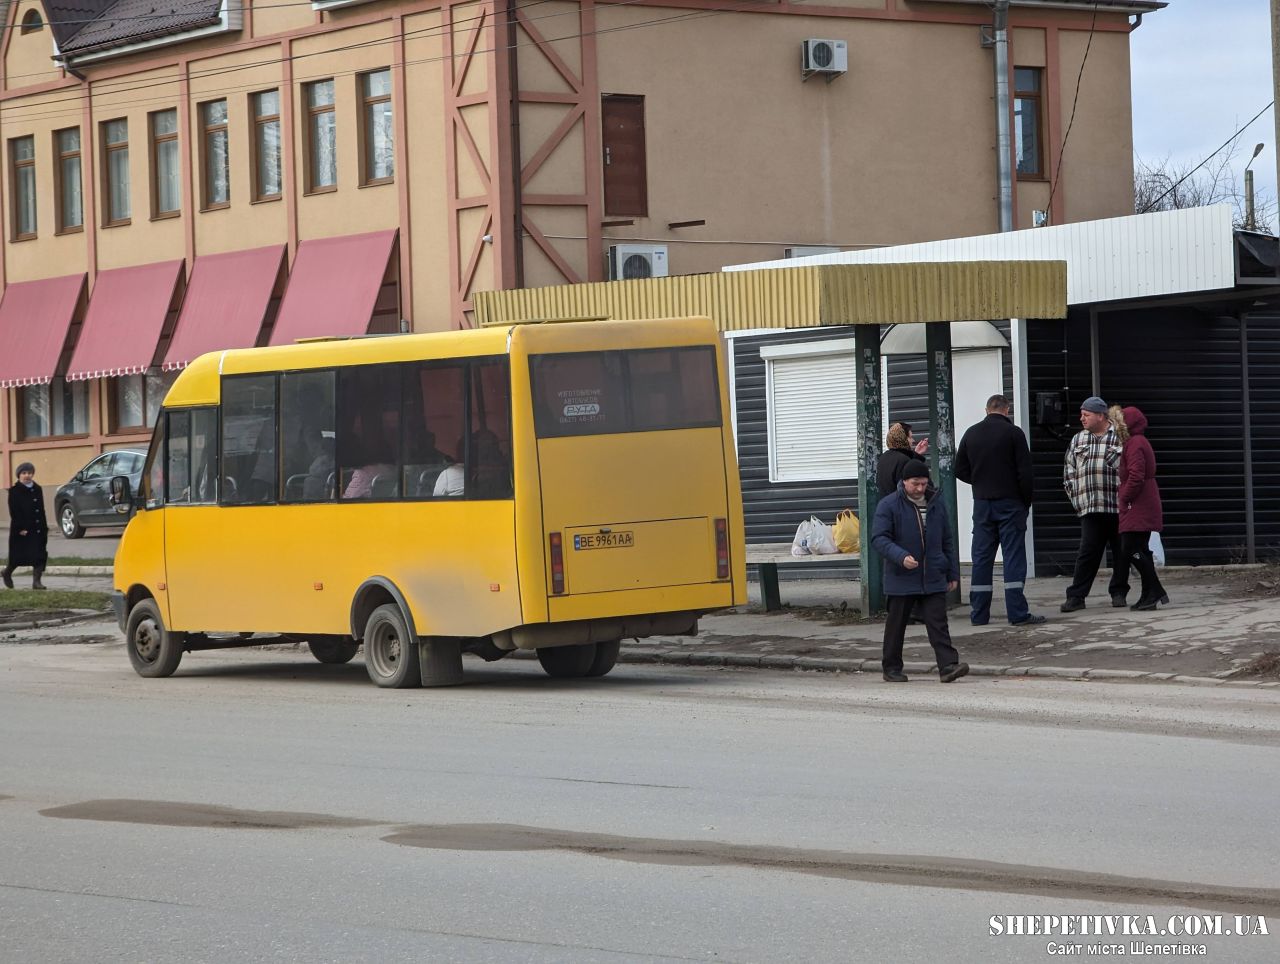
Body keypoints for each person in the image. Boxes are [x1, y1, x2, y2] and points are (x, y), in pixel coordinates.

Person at [871, 461, 968, 683]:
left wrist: (952, 573)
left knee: (938, 622)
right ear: (904, 482)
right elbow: (879, 538)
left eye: (924, 484)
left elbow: (947, 539)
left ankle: (948, 666)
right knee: (896, 625)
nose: (920, 489)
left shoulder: (936, 502)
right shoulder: (889, 505)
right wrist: (900, 556)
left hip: (933, 573)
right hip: (901, 576)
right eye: (915, 484)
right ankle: (891, 668)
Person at [955, 394, 1045, 626]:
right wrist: (1025, 501)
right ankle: (1017, 613)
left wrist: (979, 481)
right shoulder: (1014, 434)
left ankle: (979, 615)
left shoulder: (971, 433)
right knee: (1013, 557)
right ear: (1007, 410)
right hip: (1010, 503)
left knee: (982, 558)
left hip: (982, 504)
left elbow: (959, 469)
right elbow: (1025, 473)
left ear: (987, 410)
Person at [1060, 396, 1130, 612]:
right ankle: (1076, 597)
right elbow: (1069, 471)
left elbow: (1130, 469)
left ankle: (1118, 592)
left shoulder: (1119, 437)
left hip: (1116, 507)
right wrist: (1077, 500)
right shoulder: (1078, 439)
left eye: (1086, 414)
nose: (1082, 418)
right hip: (1090, 508)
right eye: (1082, 414)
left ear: (1100, 416)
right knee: (1087, 553)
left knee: (1121, 552)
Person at [1112, 405, 1169, 610]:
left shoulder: (1135, 443)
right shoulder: (1136, 442)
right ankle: (1149, 595)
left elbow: (1136, 475)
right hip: (1142, 501)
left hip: (1138, 504)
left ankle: (1155, 590)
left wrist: (1124, 497)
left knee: (1130, 549)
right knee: (1140, 550)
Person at [3, 462, 48, 590]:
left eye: (29, 473)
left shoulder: (37, 488)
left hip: (38, 528)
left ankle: (37, 582)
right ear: (19, 475)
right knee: (18, 556)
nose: (27, 475)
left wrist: (44, 527)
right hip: (22, 529)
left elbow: (41, 508)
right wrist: (21, 528)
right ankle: (7, 573)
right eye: (24, 473)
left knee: (39, 555)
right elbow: (14, 511)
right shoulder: (14, 491)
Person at [876, 421, 929, 498]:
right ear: (902, 439)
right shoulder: (903, 460)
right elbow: (907, 490)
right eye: (910, 437)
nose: (913, 440)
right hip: (899, 507)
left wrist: (916, 454)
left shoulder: (884, 457)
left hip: (886, 505)